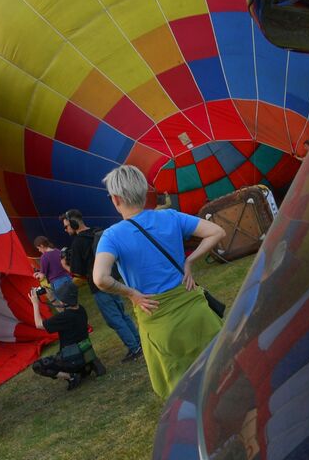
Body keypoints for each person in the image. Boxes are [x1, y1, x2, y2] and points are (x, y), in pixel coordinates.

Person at [93, 165, 226, 398]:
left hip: (160, 323)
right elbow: (216, 231)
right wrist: (189, 261)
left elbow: (100, 279)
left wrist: (132, 294)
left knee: (186, 393)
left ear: (115, 199)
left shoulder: (112, 236)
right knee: (224, 372)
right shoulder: (170, 216)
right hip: (196, 311)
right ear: (144, 192)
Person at [60, 208, 142, 362]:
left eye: (66, 226)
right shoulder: (98, 231)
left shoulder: (78, 243)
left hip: (99, 285)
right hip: (113, 280)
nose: (65, 230)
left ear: (73, 223)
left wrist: (65, 266)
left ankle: (134, 347)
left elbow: (78, 273)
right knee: (122, 314)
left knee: (114, 319)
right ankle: (139, 341)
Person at [28, 279, 103, 390]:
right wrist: (52, 299)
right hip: (84, 353)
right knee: (76, 355)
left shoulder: (64, 317)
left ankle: (72, 376)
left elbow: (39, 324)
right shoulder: (80, 309)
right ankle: (90, 363)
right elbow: (64, 312)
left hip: (72, 359)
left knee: (39, 366)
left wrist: (35, 304)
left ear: (63, 301)